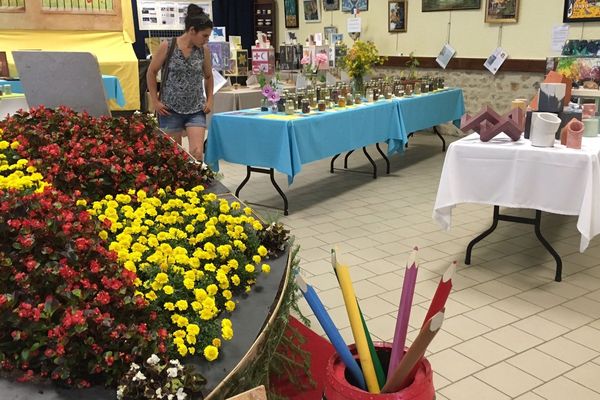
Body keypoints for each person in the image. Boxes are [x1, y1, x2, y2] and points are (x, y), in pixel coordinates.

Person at [147, 4, 214, 164]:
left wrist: (210, 99)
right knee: (173, 157)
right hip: (169, 110)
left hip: (196, 109)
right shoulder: (167, 46)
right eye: (204, 36)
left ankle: (197, 185)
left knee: (197, 154)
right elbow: (151, 72)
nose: (207, 40)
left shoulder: (203, 51)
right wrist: (155, 101)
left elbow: (209, 76)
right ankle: (177, 187)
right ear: (192, 31)